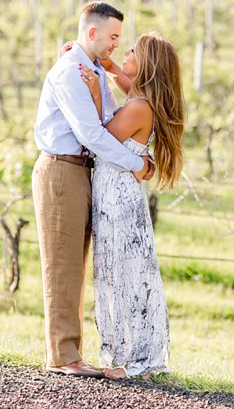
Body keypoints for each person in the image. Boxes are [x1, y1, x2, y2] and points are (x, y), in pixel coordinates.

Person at [31, 1, 153, 378]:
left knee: (78, 265)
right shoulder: (71, 72)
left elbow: (108, 119)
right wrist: (138, 165)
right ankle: (63, 356)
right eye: (113, 36)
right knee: (63, 266)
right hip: (62, 171)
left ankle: (73, 352)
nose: (117, 43)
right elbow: (92, 134)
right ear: (92, 32)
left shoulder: (94, 70)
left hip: (83, 171)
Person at [78, 31, 185, 379]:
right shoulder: (141, 98)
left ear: (147, 66)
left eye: (133, 52)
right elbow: (124, 78)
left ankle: (133, 361)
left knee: (123, 274)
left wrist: (95, 93)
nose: (124, 52)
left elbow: (101, 136)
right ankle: (129, 354)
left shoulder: (139, 107)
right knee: (124, 272)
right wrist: (103, 63)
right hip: (120, 192)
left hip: (118, 195)